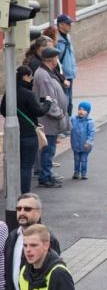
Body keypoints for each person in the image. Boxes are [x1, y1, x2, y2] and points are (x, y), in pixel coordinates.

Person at [1, 66, 52, 194]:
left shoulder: (9, 92)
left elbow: (2, 110)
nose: (32, 78)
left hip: (13, 134)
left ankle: (11, 191)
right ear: (25, 76)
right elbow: (38, 111)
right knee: (26, 166)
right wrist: (47, 103)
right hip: (28, 134)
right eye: (30, 76)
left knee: (13, 164)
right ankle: (24, 193)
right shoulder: (28, 93)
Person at [4, 194, 61, 290]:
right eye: (19, 209)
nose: (21, 212)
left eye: (27, 209)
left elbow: (51, 277)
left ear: (39, 212)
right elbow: (8, 275)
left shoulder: (49, 240)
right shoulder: (12, 237)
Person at [32, 47, 69, 189]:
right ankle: (45, 177)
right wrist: (59, 114)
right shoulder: (43, 75)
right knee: (48, 150)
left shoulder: (47, 72)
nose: (57, 60)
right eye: (56, 58)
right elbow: (48, 99)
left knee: (50, 150)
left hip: (51, 121)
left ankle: (47, 173)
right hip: (48, 121)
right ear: (51, 59)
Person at [18, 225, 75, 290]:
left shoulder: (59, 274)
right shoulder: (24, 271)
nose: (28, 250)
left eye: (33, 245)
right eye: (25, 245)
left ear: (46, 245)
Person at [55, 14, 77, 116]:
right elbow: (55, 60)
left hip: (70, 74)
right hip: (62, 76)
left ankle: (68, 123)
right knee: (64, 101)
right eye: (67, 24)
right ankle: (64, 123)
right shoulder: (56, 40)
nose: (70, 26)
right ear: (60, 25)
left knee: (70, 101)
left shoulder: (68, 37)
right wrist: (61, 75)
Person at [70, 101, 95, 180]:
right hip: (76, 144)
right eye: (79, 109)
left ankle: (84, 173)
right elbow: (69, 128)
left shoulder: (89, 122)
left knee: (84, 160)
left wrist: (89, 142)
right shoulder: (73, 119)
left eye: (84, 110)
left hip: (85, 145)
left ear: (88, 112)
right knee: (76, 159)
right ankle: (76, 172)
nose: (81, 111)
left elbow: (91, 133)